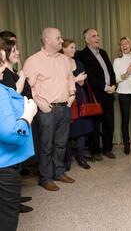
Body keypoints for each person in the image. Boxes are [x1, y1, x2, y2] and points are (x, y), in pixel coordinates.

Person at [23, 28, 76, 191]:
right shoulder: (33, 61)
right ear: (47, 40)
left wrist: (72, 94)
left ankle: (58, 171)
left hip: (65, 108)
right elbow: (27, 87)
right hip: (47, 109)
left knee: (61, 143)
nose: (61, 41)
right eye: (58, 38)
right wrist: (39, 103)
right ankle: (45, 178)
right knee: (46, 146)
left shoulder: (64, 59)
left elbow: (70, 79)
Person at [0, 43, 38, 231]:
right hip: (4, 164)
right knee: (7, 218)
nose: (3, 67)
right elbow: (11, 134)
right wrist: (27, 115)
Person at [77, 28, 117, 160]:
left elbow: (110, 71)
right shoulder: (82, 55)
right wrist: (105, 87)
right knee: (95, 125)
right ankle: (95, 151)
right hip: (95, 95)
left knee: (109, 123)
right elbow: (89, 76)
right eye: (94, 36)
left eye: (98, 36)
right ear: (87, 39)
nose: (97, 38)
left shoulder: (104, 53)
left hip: (109, 94)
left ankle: (107, 149)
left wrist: (113, 85)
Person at [61, 39, 94, 170]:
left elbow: (83, 83)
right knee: (67, 131)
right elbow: (59, 83)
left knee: (82, 130)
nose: (74, 50)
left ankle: (81, 159)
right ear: (63, 49)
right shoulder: (59, 63)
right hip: (66, 99)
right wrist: (76, 79)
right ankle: (67, 161)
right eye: (71, 47)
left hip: (80, 97)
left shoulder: (79, 63)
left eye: (75, 47)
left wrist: (80, 81)